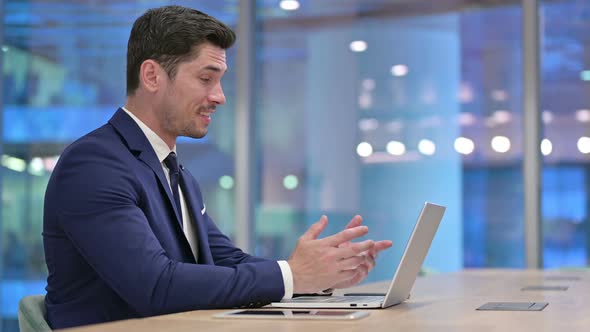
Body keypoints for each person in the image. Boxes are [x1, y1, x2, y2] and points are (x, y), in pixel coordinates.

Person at [42, 5, 392, 329]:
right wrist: (292, 276)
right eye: (206, 78)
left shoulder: (177, 173)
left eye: (220, 80)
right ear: (151, 76)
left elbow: (226, 260)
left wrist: (320, 275)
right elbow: (155, 286)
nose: (220, 96)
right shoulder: (94, 165)